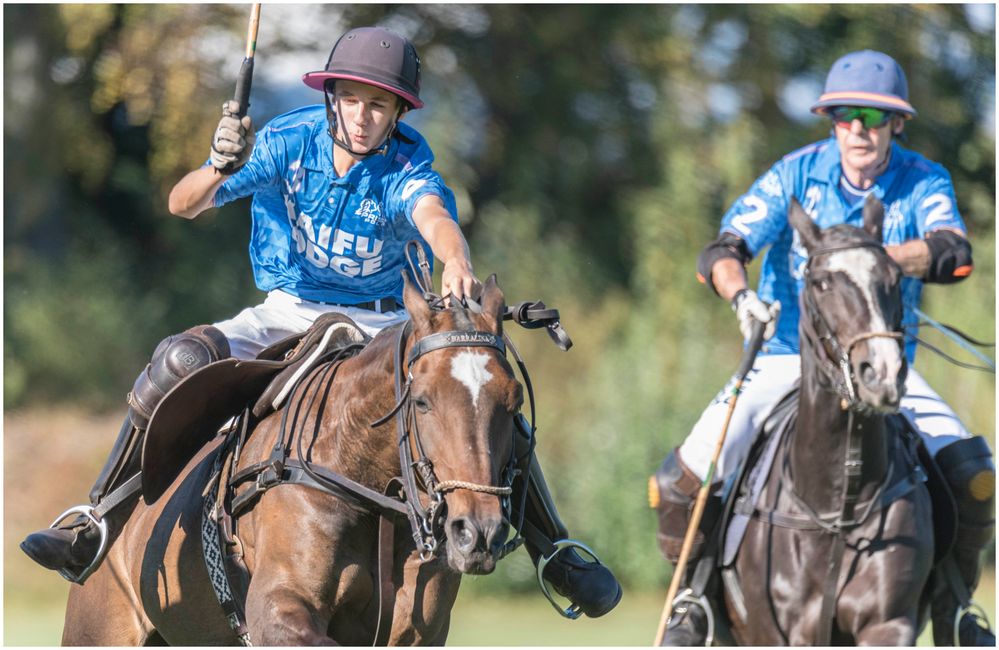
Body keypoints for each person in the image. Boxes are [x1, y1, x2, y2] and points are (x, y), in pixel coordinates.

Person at [21, 26, 621, 619]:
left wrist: (456, 257)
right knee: (179, 358)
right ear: (333, 98)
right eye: (352, 100)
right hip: (287, 309)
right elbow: (183, 203)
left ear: (396, 113)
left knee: (474, 390)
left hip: (379, 326)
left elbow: (433, 214)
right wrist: (218, 163)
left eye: (378, 105)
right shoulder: (287, 142)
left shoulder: (406, 165)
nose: (362, 117)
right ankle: (98, 520)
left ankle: (556, 550)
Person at [651, 50, 995, 645]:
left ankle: (958, 607)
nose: (857, 128)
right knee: (683, 476)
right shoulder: (794, 174)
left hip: (883, 358)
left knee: (972, 473)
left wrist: (870, 261)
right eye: (843, 115)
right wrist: (742, 299)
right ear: (831, 122)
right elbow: (722, 252)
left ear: (897, 124)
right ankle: (695, 601)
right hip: (788, 355)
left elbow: (953, 251)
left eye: (871, 114)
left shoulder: (923, 180)